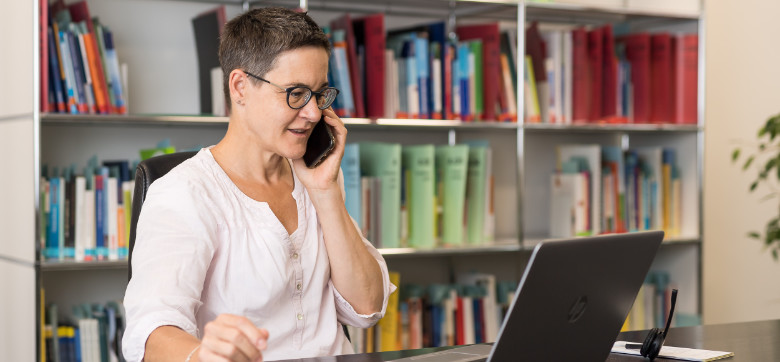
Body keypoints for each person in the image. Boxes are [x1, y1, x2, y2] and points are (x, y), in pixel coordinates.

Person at [122, 7, 394, 362]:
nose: (313, 113)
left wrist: (325, 193)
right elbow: (150, 334)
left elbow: (368, 307)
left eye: (320, 93)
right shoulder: (184, 194)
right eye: (296, 93)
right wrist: (202, 356)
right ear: (240, 87)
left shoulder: (318, 175)